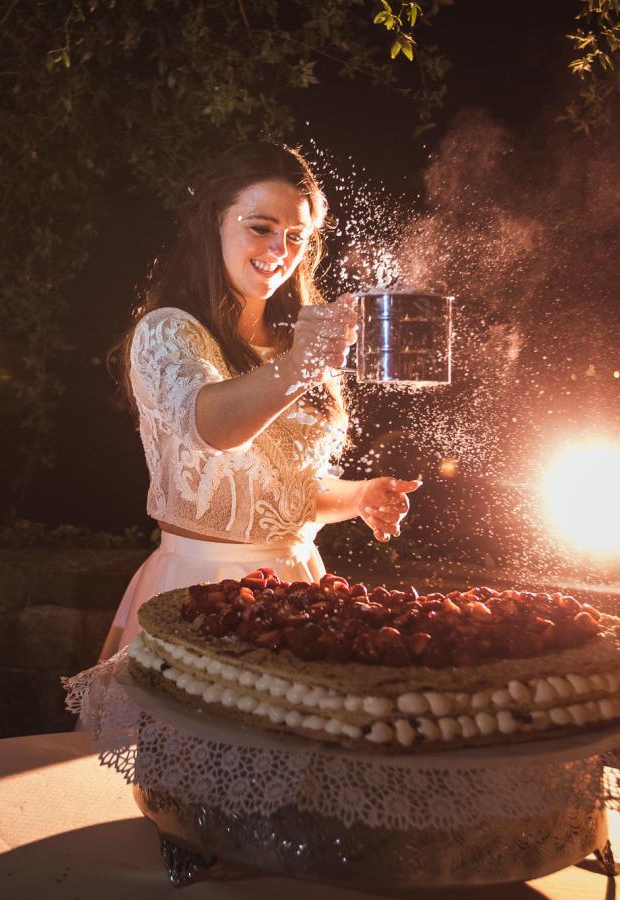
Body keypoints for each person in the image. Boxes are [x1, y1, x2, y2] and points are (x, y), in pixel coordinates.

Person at [98, 141, 421, 660]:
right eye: (261, 227)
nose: (279, 250)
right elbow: (211, 427)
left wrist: (358, 497)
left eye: (296, 236)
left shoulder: (295, 343)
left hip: (299, 587)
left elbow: (282, 491)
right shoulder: (170, 332)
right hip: (197, 590)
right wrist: (300, 366)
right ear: (215, 223)